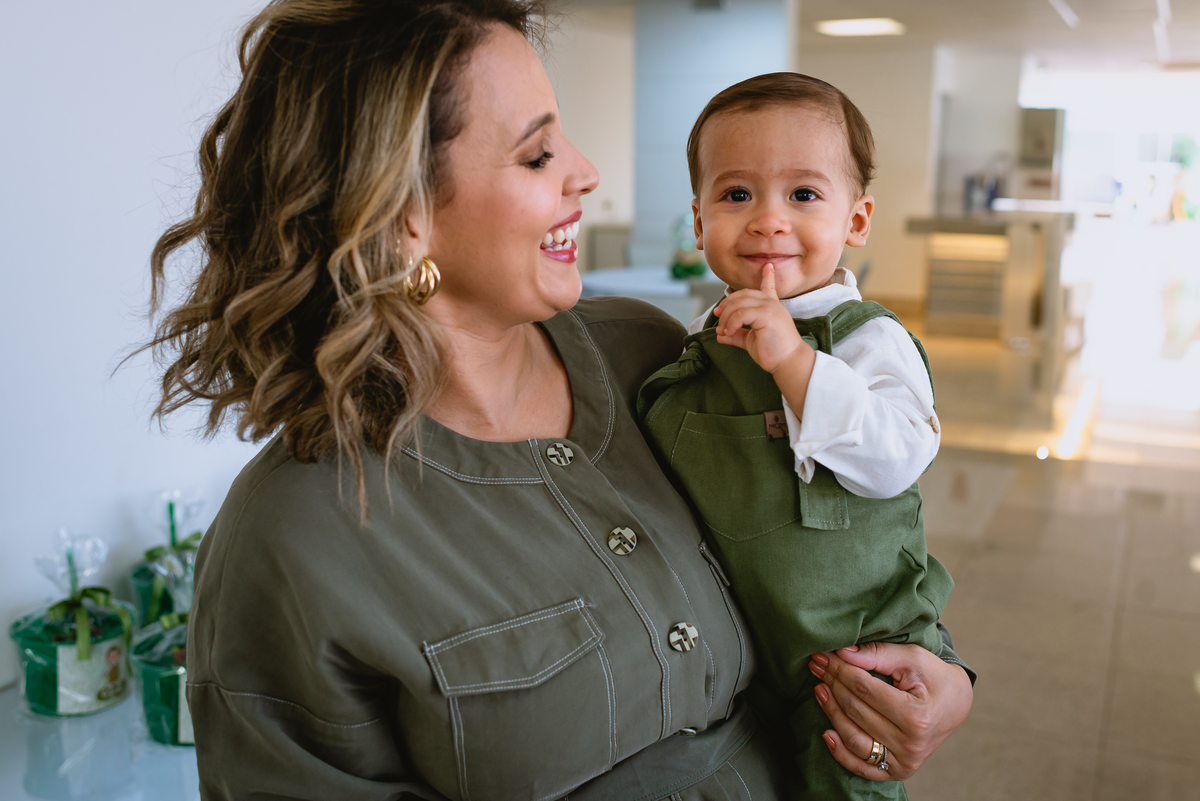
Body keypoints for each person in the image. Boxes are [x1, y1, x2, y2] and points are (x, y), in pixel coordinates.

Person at [144, 2, 974, 798]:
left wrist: (938, 676)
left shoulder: (656, 358)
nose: (587, 172)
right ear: (403, 216)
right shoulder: (293, 539)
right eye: (538, 155)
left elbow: (827, 535)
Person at [637, 74, 954, 801]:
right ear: (697, 220)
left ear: (858, 218)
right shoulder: (697, 341)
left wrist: (798, 364)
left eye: (804, 195)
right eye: (737, 194)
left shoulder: (868, 338)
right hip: (739, 638)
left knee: (843, 782)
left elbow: (897, 456)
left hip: (851, 650)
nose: (767, 220)